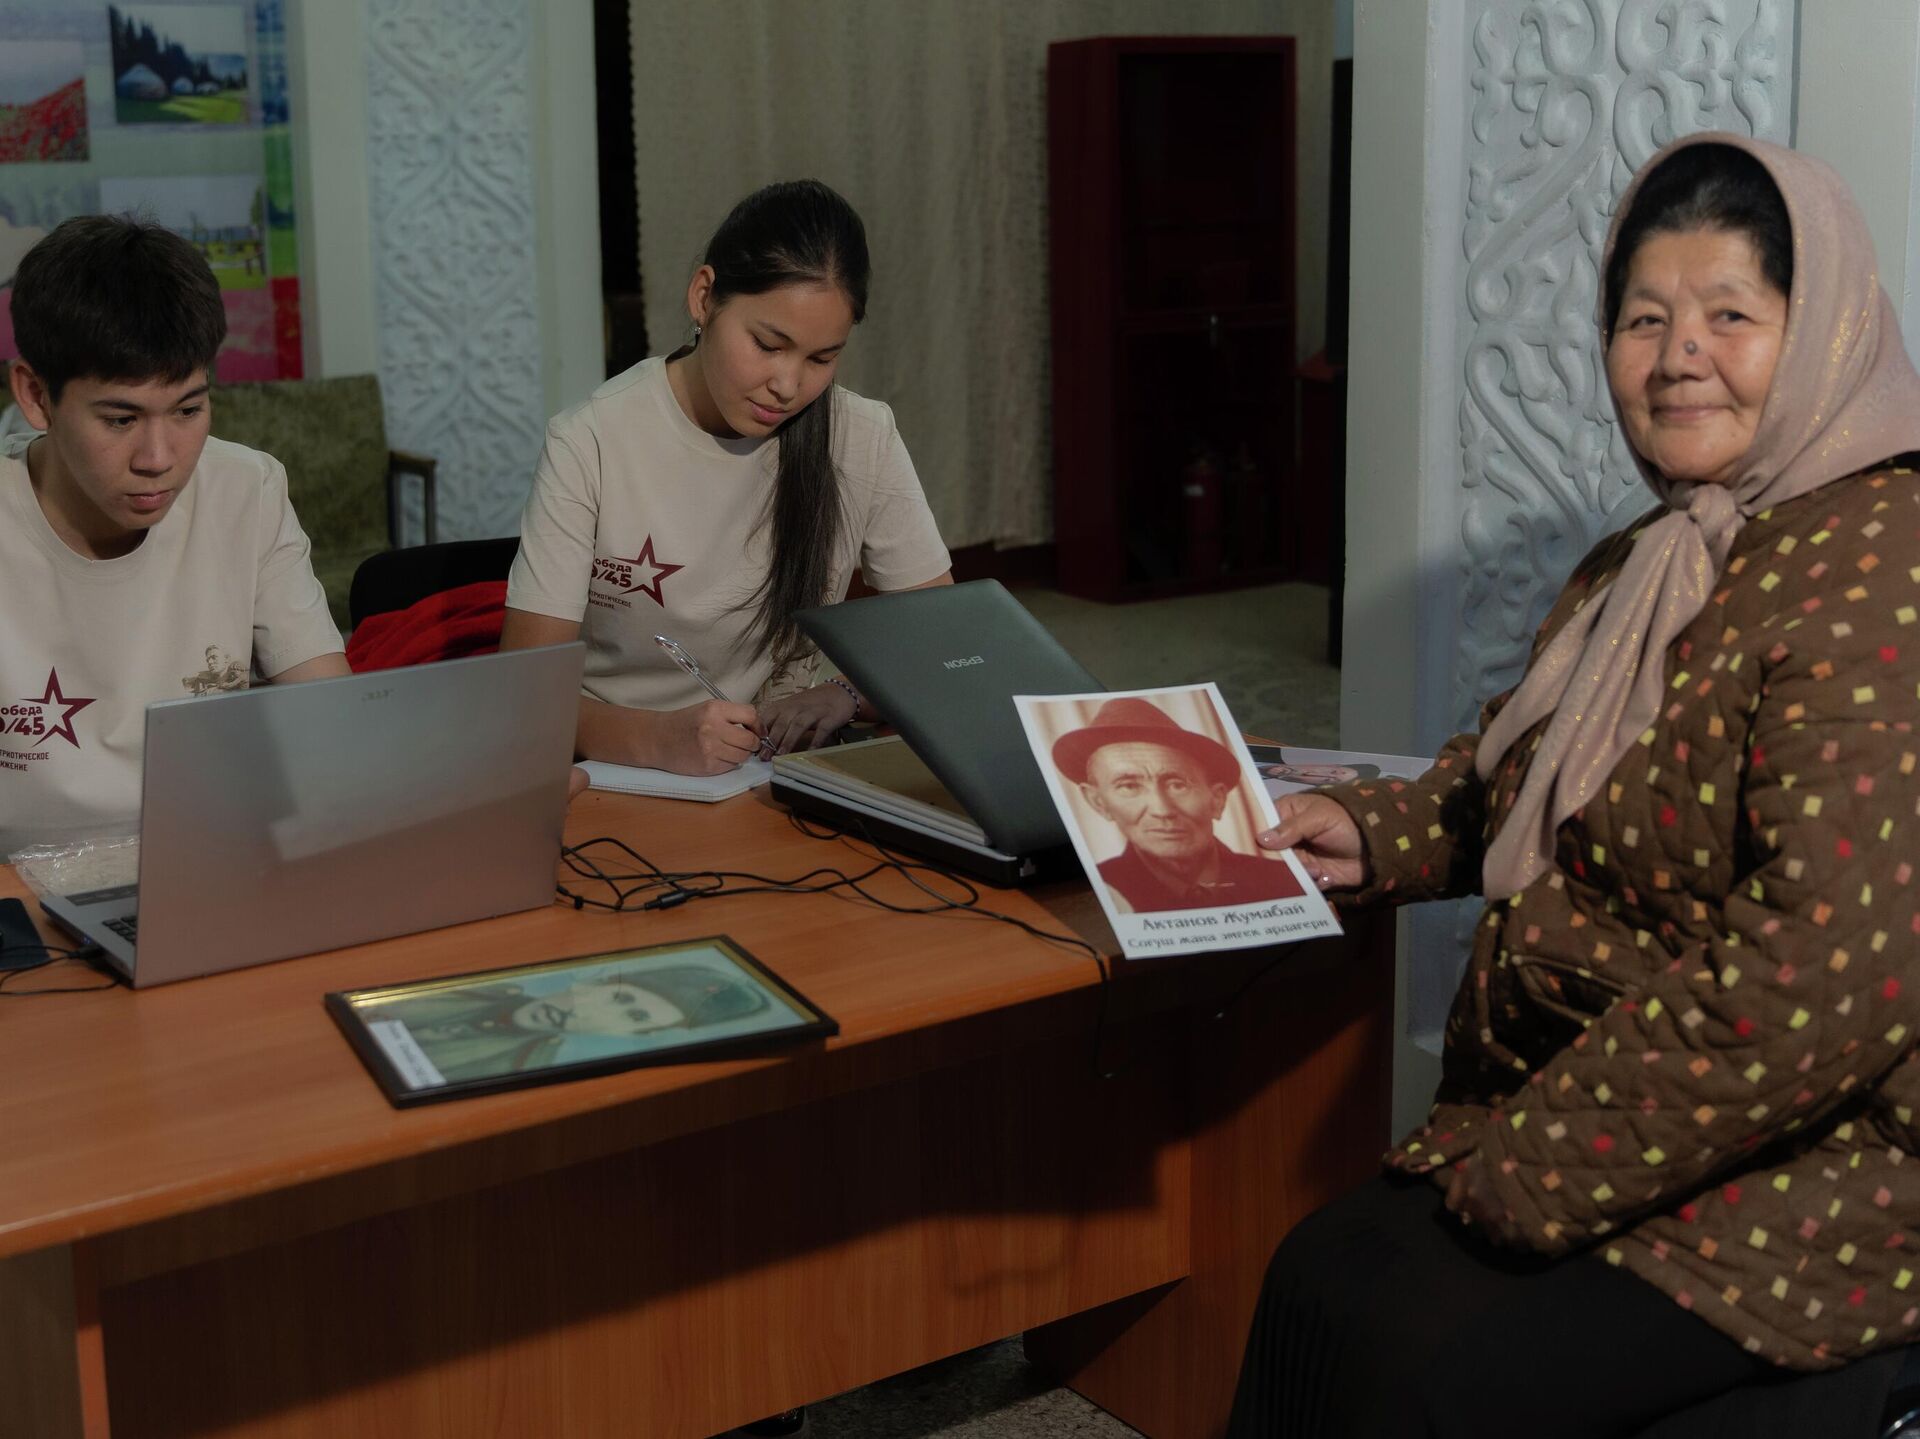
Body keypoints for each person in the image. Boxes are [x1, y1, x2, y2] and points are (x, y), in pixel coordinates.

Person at [1228, 134, 1920, 1438]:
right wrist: (1375, 829)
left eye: (1730, 315)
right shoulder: (1655, 555)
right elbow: (1527, 771)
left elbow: (1830, 972)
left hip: (1823, 1159)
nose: (1678, 356)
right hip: (1610, 1096)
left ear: (1826, 329)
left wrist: (1541, 1163)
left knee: (1431, 1377)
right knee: (1318, 1278)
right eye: (1644, 318)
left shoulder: (1887, 569)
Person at [499, 180, 953, 775]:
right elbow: (525, 700)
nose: (788, 386)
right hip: (612, 769)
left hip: (768, 770)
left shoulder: (859, 437)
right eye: (767, 345)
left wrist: (844, 694)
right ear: (704, 298)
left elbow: (946, 647)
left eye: (821, 358)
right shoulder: (591, 441)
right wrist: (658, 739)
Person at [0, 215, 348, 856]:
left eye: (189, 409)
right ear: (36, 395)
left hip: (209, 863)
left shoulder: (246, 490)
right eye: (120, 419)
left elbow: (332, 731)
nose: (159, 459)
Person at [1050, 696, 1303, 913]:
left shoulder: (1285, 881)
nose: (1162, 810)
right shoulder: (1089, 894)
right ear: (1099, 803)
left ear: (1216, 799)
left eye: (1177, 785)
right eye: (1129, 786)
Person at [378, 964, 772, 1083]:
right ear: (594, 983)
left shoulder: (517, 1067)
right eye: (620, 998)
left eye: (634, 1018)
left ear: (630, 1035)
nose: (592, 1014)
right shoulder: (485, 987)